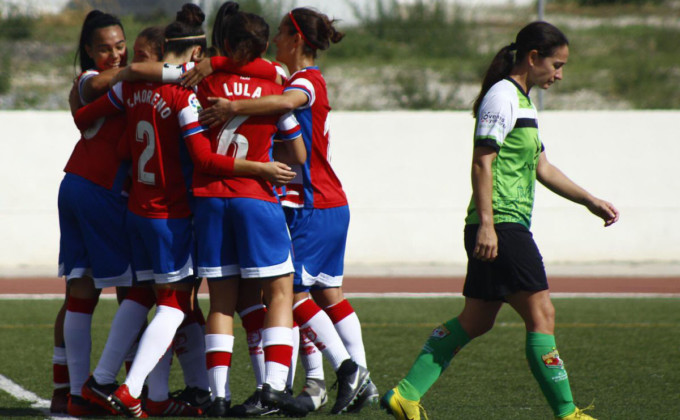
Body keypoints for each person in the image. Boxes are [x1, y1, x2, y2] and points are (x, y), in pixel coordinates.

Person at [380, 21, 620, 420]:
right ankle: (567, 413)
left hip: (501, 224)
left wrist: (589, 200)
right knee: (542, 313)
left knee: (476, 320)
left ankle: (405, 395)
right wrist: (489, 224)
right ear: (533, 58)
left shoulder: (523, 103)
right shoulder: (503, 96)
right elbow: (481, 161)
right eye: (556, 65)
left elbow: (543, 167)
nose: (559, 75)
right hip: (501, 224)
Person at [196, 7, 377, 414]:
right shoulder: (283, 76)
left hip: (311, 200)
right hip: (309, 199)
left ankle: (346, 371)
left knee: (289, 292)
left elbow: (284, 102)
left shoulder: (305, 82)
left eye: (281, 32)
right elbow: (259, 69)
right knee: (320, 292)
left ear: (296, 39)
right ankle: (316, 384)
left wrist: (231, 107)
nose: (276, 40)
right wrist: (216, 62)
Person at [187, 8, 309, 418]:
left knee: (220, 300)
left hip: (208, 197)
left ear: (223, 43)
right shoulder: (272, 85)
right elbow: (298, 153)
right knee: (279, 291)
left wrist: (212, 63)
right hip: (255, 197)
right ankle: (274, 386)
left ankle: (218, 397)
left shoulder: (203, 82)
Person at [53, 10, 131, 417]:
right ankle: (132, 391)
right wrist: (147, 69)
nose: (115, 55)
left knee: (80, 293)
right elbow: (98, 83)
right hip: (99, 191)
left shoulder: (119, 81)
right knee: (133, 294)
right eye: (104, 48)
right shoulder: (88, 80)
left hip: (78, 185)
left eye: (120, 45)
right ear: (87, 50)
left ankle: (68, 393)